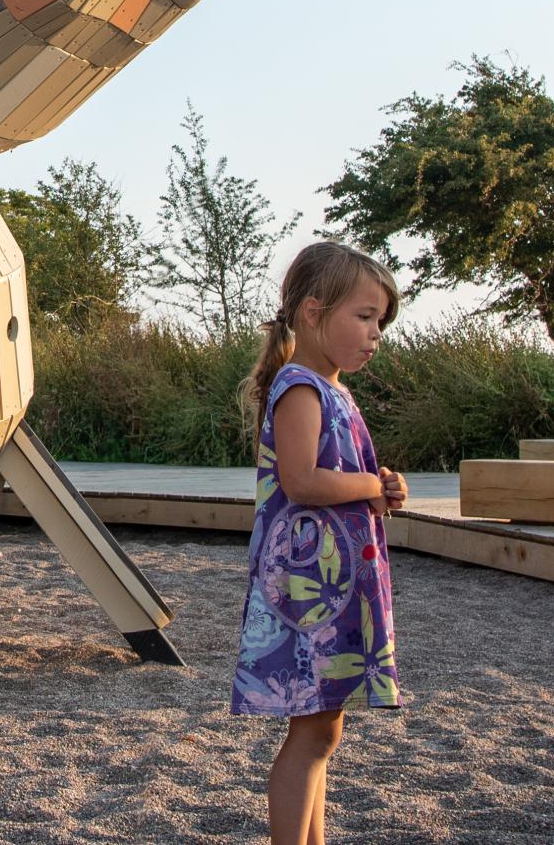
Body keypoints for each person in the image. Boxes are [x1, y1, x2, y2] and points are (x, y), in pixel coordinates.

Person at [231, 241, 408, 845]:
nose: (374, 333)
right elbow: (302, 480)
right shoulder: (300, 388)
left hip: (328, 586)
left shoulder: (331, 388)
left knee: (323, 731)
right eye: (363, 317)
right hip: (307, 592)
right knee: (310, 735)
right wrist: (371, 484)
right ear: (312, 311)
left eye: (379, 321)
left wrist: (379, 487)